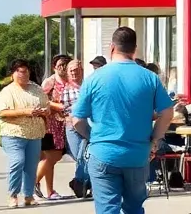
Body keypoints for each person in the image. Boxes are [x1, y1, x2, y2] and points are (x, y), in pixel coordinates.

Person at [72, 27, 173, 214]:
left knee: (107, 210)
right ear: (135, 49)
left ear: (111, 48)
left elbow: (77, 120)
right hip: (137, 154)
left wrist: (93, 137)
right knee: (134, 208)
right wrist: (155, 140)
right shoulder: (150, 78)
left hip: (103, 153)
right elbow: (167, 112)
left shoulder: (94, 79)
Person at [0, 60, 50, 208]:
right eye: (19, 71)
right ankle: (13, 194)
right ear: (13, 74)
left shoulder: (36, 89)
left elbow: (47, 106)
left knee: (31, 166)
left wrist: (44, 112)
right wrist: (25, 112)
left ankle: (28, 195)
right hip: (14, 133)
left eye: (25, 71)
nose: (23, 74)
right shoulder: (8, 91)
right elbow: (2, 113)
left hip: (34, 134)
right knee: (17, 161)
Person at [37, 55, 71, 200]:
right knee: (51, 156)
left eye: (66, 64)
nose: (63, 68)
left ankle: (50, 191)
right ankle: (33, 182)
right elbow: (42, 100)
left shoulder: (70, 80)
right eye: (60, 65)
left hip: (65, 124)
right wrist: (58, 106)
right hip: (50, 125)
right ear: (54, 67)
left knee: (51, 159)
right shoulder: (50, 82)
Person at [62, 60, 91, 199]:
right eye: (71, 70)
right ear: (67, 73)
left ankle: (79, 183)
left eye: (76, 70)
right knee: (80, 157)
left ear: (81, 70)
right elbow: (65, 108)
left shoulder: (87, 86)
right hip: (72, 127)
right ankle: (82, 182)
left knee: (86, 156)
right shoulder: (66, 88)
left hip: (87, 124)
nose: (74, 73)